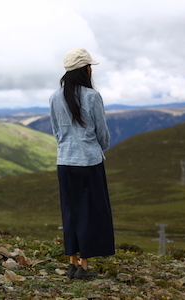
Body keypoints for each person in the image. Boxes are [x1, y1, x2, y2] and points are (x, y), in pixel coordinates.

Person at [49, 48, 115, 279]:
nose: (91, 70)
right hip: (88, 162)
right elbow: (102, 133)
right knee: (90, 212)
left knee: (70, 211)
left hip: (64, 162)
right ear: (84, 70)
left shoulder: (55, 97)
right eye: (90, 66)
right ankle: (84, 267)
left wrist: (68, 147)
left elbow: (57, 132)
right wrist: (98, 147)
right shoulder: (91, 96)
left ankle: (71, 262)